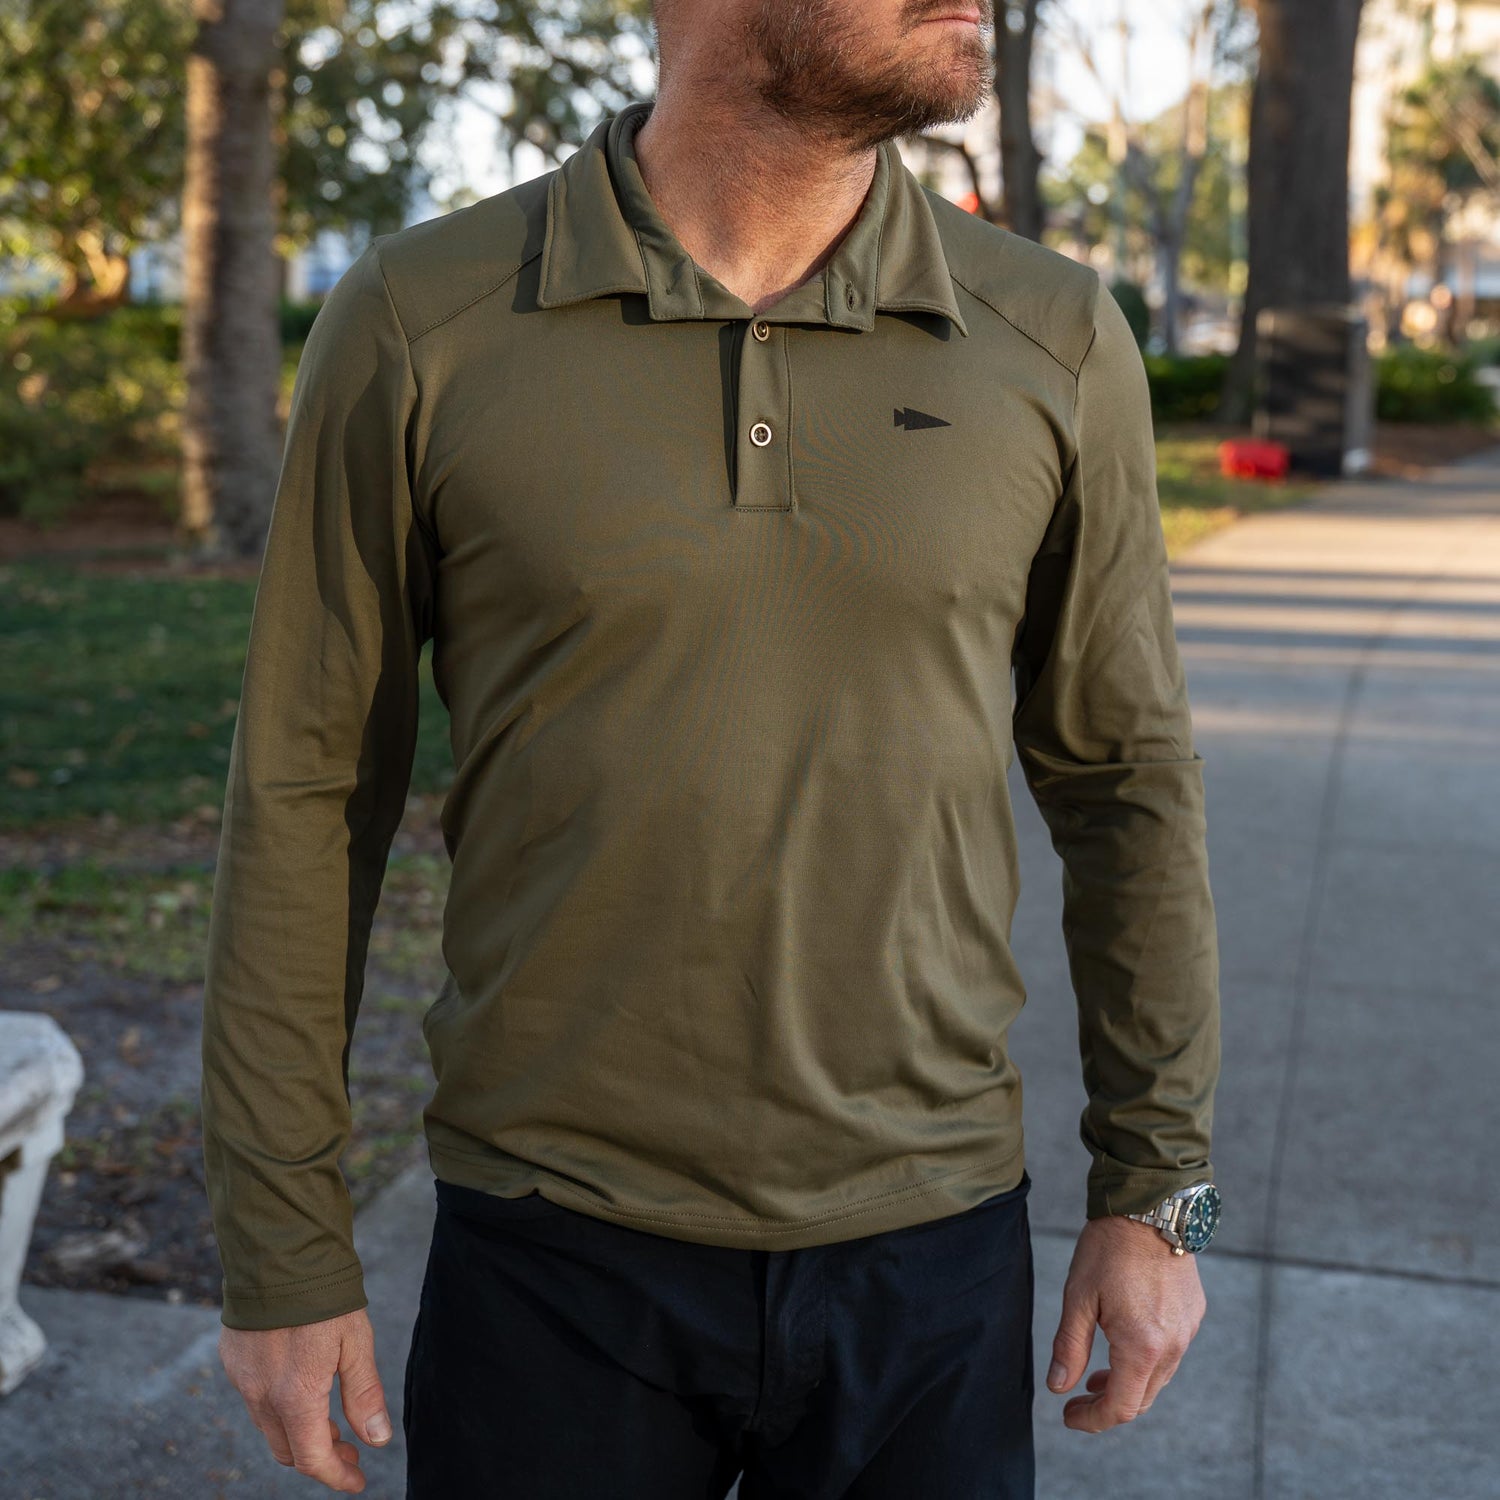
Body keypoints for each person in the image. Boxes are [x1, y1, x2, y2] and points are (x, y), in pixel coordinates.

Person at [201, 0, 1222, 1495]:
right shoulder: (422, 320)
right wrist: (280, 1246)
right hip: (548, 1252)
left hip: (931, 1254)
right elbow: (304, 795)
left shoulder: (1053, 337)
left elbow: (1127, 783)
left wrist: (1159, 1190)